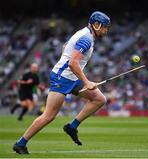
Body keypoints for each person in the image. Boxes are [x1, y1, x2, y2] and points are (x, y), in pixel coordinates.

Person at [13, 11, 111, 154]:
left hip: (71, 77)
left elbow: (65, 46)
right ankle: (20, 144)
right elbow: (72, 63)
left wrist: (65, 61)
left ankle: (72, 126)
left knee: (99, 99)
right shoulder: (86, 39)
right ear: (96, 25)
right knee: (49, 116)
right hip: (63, 78)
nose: (106, 30)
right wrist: (87, 81)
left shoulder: (85, 33)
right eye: (104, 27)